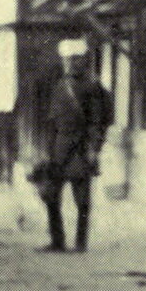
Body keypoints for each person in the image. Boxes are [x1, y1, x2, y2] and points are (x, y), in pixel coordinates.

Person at [37, 40, 111, 253]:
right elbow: (52, 121)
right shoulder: (60, 86)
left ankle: (80, 242)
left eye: (74, 60)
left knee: (83, 201)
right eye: (67, 60)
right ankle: (57, 240)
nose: (70, 64)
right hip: (59, 149)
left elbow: (97, 121)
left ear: (82, 61)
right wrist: (48, 150)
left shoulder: (92, 87)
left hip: (80, 148)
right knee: (51, 196)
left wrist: (94, 148)